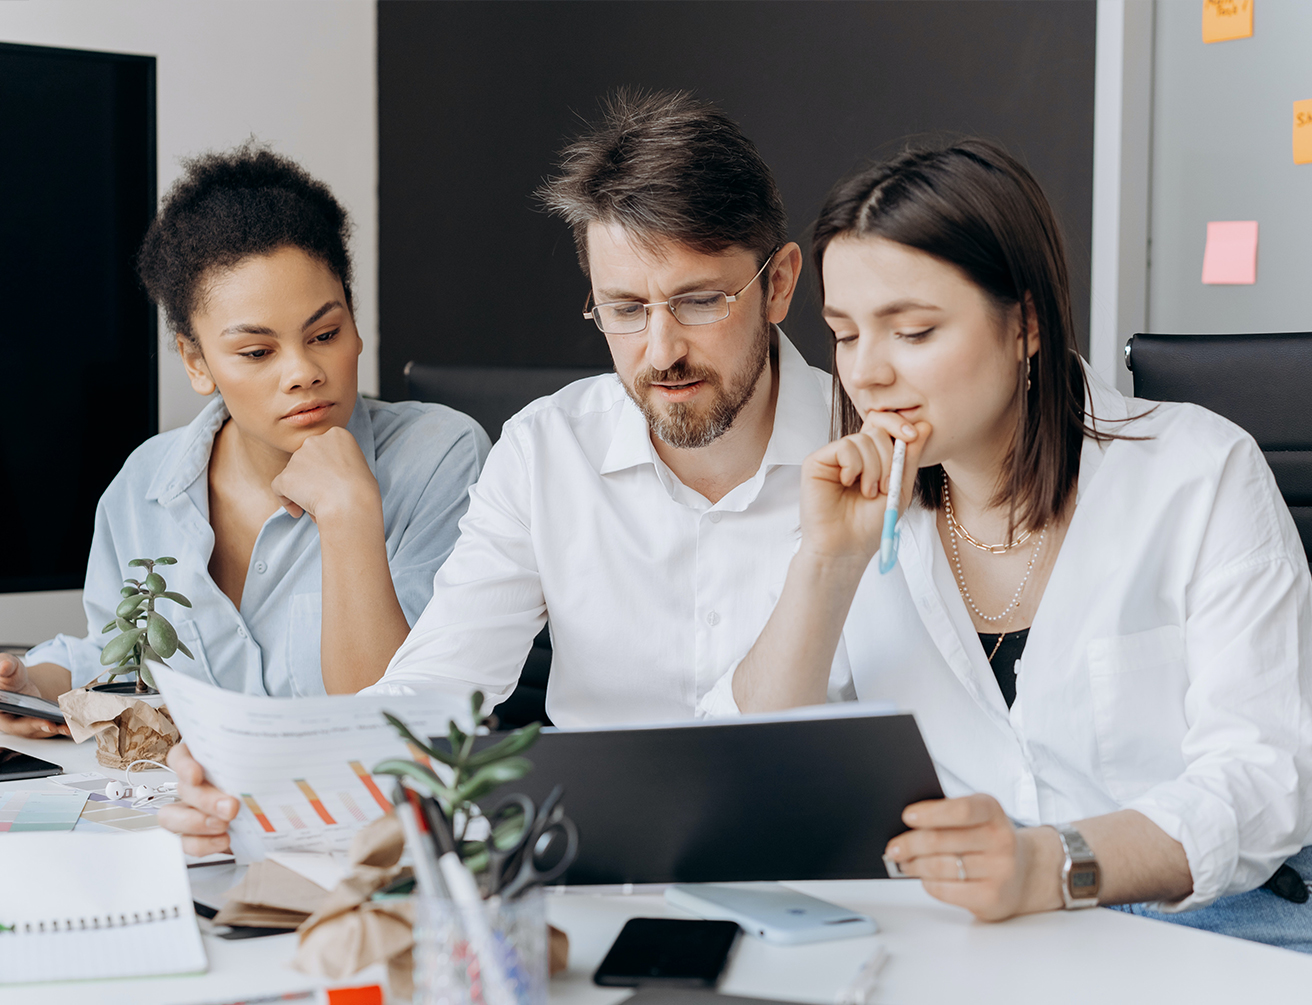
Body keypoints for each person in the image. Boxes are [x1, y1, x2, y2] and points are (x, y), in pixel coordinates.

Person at [161, 91, 845, 855]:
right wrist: (253, 781)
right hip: (595, 872)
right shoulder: (546, 449)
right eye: (623, 308)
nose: (660, 351)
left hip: (833, 875)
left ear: (779, 284)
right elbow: (431, 697)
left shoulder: (875, 449)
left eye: (698, 302)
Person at [727, 140, 1312, 949]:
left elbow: (1265, 783)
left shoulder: (1199, 473)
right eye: (845, 334)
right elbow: (765, 764)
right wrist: (826, 565)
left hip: (1209, 925)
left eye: (914, 331)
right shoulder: (860, 507)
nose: (866, 374)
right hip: (966, 932)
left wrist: (1051, 863)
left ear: (1025, 323)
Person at [0, 143, 488, 740]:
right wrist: (35, 685)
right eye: (257, 352)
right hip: (194, 817)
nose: (302, 372)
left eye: (326, 333)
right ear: (196, 361)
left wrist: (348, 514)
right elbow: (126, 661)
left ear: (355, 326)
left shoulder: (440, 455)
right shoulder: (145, 485)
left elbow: (394, 724)